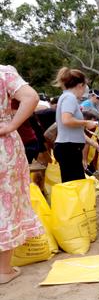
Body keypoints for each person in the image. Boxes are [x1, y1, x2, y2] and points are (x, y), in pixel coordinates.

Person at [0, 65, 45, 284]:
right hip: (3, 146)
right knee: (5, 202)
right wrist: (10, 125)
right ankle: (3, 270)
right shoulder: (3, 73)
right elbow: (30, 97)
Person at [53, 68, 99, 182]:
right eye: (85, 87)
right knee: (74, 184)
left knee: (74, 183)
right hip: (69, 149)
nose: (84, 91)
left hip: (69, 147)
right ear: (80, 85)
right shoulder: (70, 98)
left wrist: (93, 143)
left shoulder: (66, 97)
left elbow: (73, 129)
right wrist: (86, 122)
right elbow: (67, 120)